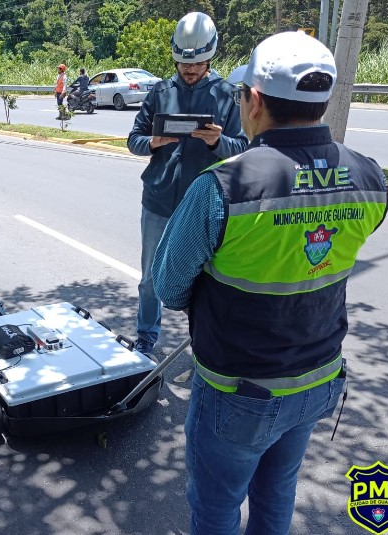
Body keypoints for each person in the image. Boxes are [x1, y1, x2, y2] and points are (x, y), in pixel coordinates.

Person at [152, 31, 388, 534]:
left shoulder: (223, 186)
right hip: (319, 380)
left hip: (239, 390)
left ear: (254, 100)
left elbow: (168, 287)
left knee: (216, 510)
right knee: (277, 493)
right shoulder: (369, 178)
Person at [127, 11, 248, 355]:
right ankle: (147, 336)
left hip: (207, 206)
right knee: (150, 277)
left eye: (197, 64)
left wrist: (216, 142)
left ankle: (204, 343)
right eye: (183, 64)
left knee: (207, 280)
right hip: (159, 200)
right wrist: (153, 142)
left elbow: (242, 149)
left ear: (211, 56)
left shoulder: (227, 96)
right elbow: (133, 139)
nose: (190, 70)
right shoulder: (159, 92)